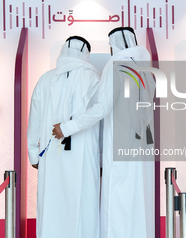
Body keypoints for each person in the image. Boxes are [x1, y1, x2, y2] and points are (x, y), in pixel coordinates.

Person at [53, 27, 156, 238]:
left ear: (114, 45)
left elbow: (101, 108)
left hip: (122, 147)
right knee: (140, 202)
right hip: (144, 147)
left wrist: (67, 127)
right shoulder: (146, 69)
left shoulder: (116, 66)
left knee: (118, 204)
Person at [27, 36, 101, 238]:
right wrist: (102, 158)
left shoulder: (45, 79)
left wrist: (34, 154)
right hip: (85, 156)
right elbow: (101, 121)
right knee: (84, 206)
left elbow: (34, 118)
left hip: (51, 157)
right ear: (86, 53)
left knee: (52, 206)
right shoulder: (94, 78)